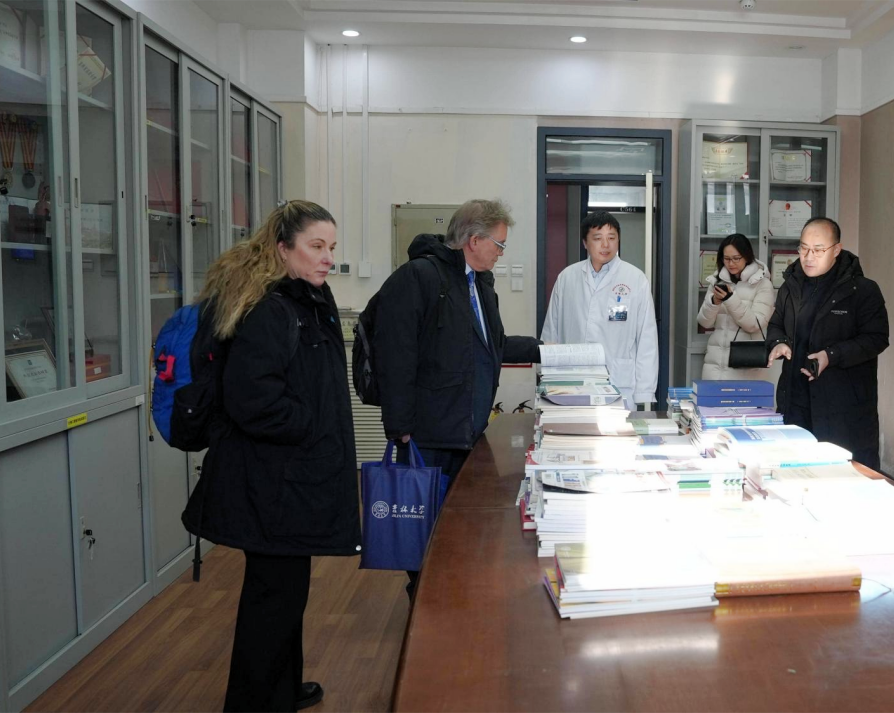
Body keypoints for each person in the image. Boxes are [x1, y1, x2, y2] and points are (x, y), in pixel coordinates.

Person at [183, 200, 359, 712]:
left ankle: (281, 689)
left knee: (285, 594)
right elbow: (252, 400)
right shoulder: (270, 309)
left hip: (287, 478)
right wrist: (310, 426)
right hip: (271, 483)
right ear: (283, 248)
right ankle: (253, 702)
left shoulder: (303, 298)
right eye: (316, 246)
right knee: (272, 600)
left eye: (331, 247)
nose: (327, 257)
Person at [370, 199, 542, 596]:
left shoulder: (480, 284)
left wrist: (544, 350)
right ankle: (424, 602)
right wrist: (400, 426)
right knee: (422, 528)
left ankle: (451, 598)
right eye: (499, 244)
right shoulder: (420, 277)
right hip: (427, 433)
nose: (502, 252)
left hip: (466, 429)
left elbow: (492, 344)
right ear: (474, 240)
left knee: (458, 527)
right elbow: (395, 355)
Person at [765, 217, 888, 470]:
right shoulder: (790, 286)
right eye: (803, 248)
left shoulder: (862, 290)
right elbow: (776, 323)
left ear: (836, 250)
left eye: (818, 250)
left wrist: (831, 355)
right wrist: (778, 343)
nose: (808, 257)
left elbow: (876, 338)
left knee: (841, 475)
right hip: (796, 399)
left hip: (842, 405)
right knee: (795, 472)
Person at [541, 211, 658, 408]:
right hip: (571, 381)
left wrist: (644, 391)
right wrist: (546, 375)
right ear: (585, 243)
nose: (606, 245)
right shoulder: (567, 277)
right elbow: (551, 329)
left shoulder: (636, 279)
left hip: (618, 381)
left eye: (611, 238)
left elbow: (647, 338)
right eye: (597, 238)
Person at [696, 233, 776, 381]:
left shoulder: (762, 284)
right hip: (715, 364)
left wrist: (730, 299)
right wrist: (714, 302)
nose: (731, 263)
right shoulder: (717, 281)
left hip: (745, 365)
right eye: (726, 259)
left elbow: (755, 324)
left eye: (736, 258)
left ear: (747, 256)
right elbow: (704, 322)